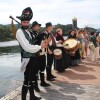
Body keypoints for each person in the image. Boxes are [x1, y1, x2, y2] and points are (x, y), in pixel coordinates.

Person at [16, 7, 46, 100]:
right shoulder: (19, 32)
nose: (26, 24)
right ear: (21, 22)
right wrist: (40, 47)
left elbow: (33, 43)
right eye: (24, 22)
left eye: (27, 22)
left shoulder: (28, 31)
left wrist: (39, 42)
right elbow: (27, 47)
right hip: (27, 59)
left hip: (33, 58)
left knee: (33, 79)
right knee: (26, 80)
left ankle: (32, 96)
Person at [31, 21, 51, 89]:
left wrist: (47, 43)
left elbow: (44, 42)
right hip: (36, 54)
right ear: (33, 27)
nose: (38, 27)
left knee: (43, 67)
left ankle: (42, 82)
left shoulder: (39, 33)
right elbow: (34, 43)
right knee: (36, 69)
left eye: (38, 26)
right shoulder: (31, 34)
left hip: (42, 53)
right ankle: (35, 86)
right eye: (37, 26)